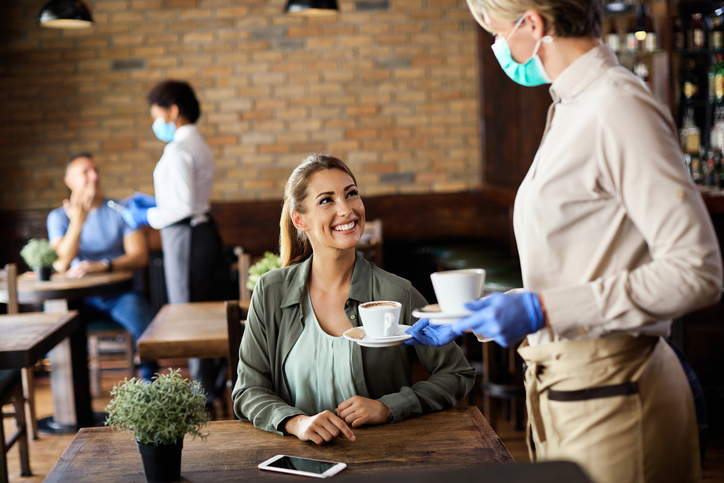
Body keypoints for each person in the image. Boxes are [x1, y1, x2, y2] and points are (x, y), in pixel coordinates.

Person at [405, 0, 723, 481]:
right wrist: (498, 308)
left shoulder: (618, 105)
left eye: (495, 32)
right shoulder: (572, 106)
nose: (499, 48)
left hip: (618, 395)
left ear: (532, 24)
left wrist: (542, 311)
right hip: (569, 391)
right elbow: (589, 260)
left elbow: (697, 273)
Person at [231, 155, 475, 444]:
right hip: (299, 463)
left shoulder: (397, 292)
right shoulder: (271, 291)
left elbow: (457, 373)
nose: (346, 210)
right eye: (326, 200)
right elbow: (248, 391)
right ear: (300, 219)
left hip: (385, 459)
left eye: (351, 194)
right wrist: (296, 422)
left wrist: (390, 406)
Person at [122, 80, 226, 410]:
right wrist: (154, 203)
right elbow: (187, 199)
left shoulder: (178, 149)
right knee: (200, 314)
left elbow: (181, 207)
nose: (156, 123)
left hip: (186, 237)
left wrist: (147, 215)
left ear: (172, 111)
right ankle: (209, 389)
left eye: (156, 116)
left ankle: (201, 397)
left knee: (190, 315)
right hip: (200, 232)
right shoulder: (197, 143)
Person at [47, 153, 158, 380]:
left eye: (95, 170)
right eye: (86, 172)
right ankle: (72, 394)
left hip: (119, 295)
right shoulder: (58, 217)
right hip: (77, 298)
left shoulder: (120, 211)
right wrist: (77, 222)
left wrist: (104, 265)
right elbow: (60, 264)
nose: (94, 176)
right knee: (54, 331)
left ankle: (150, 383)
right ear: (69, 181)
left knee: (148, 331)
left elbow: (139, 257)